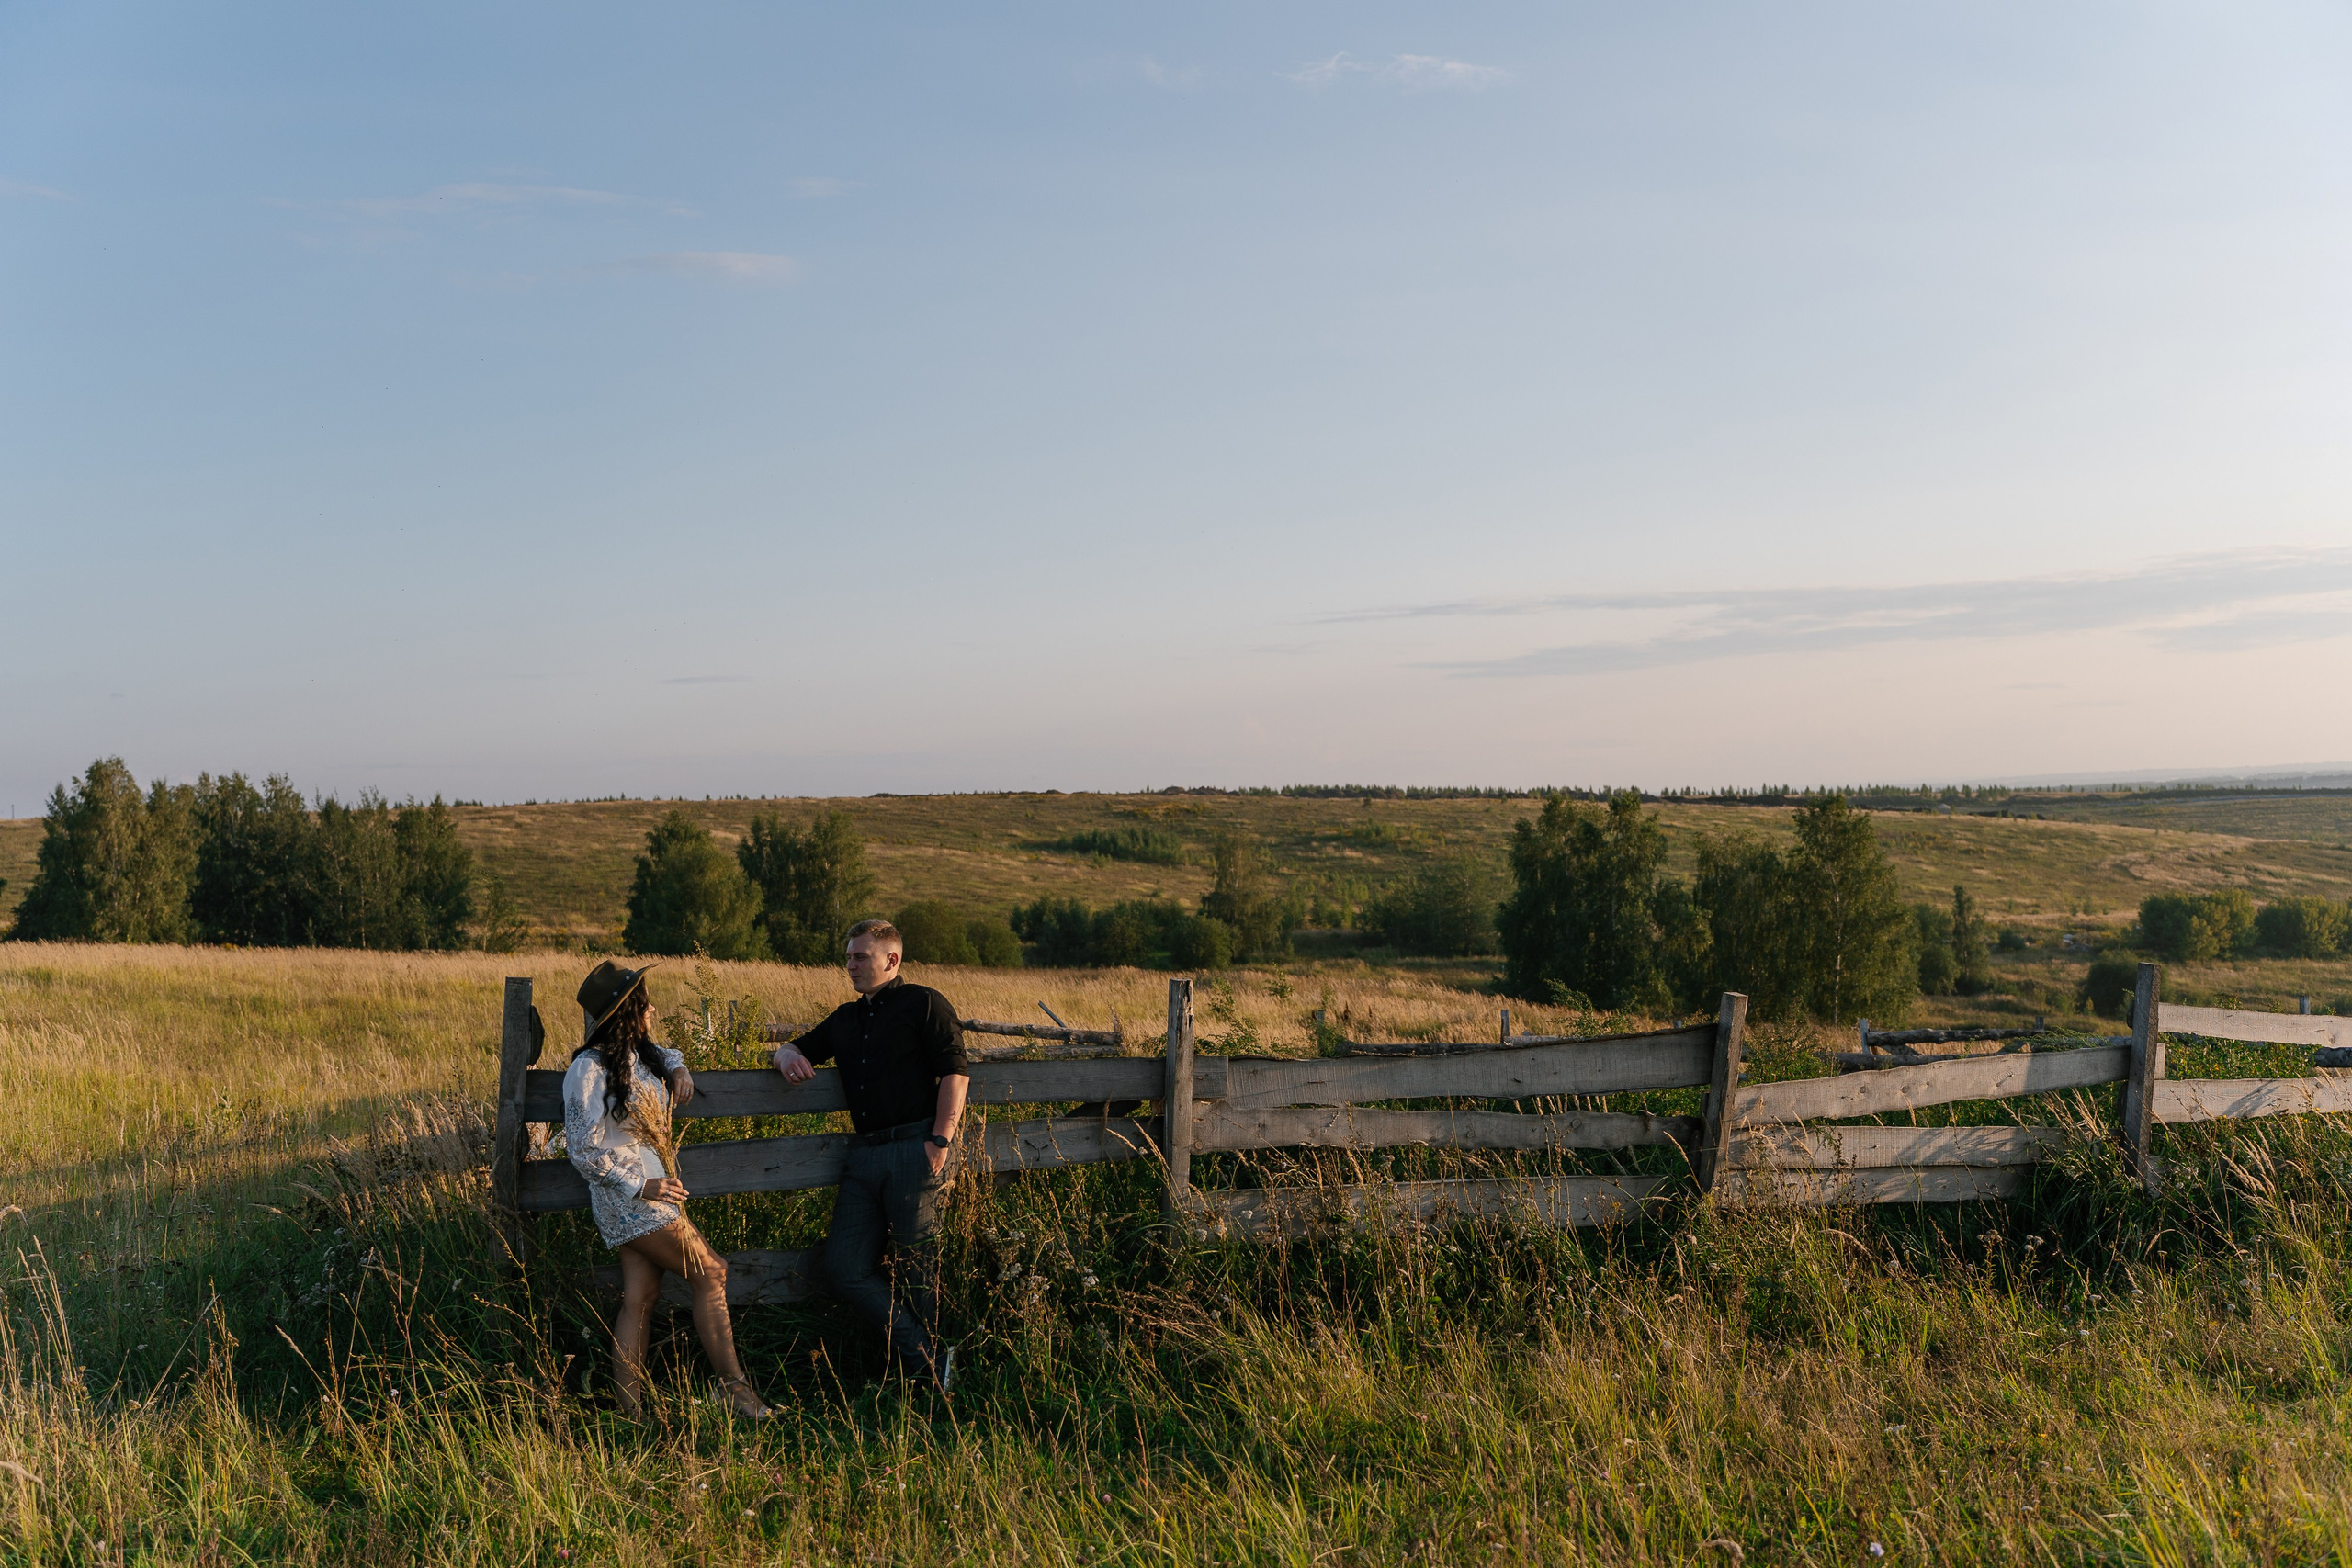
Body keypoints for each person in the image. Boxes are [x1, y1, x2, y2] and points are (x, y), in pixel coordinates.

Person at [563, 959, 771, 1420]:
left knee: (641, 1296)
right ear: (624, 1013)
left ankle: (631, 1413)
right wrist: (641, 1185)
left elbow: (669, 1053)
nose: (652, 1008)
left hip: (653, 1197)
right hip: (632, 1201)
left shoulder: (639, 1055)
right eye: (643, 1002)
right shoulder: (589, 1069)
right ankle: (735, 1391)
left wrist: (679, 1069)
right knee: (712, 1272)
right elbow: (581, 1149)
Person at [767, 919, 969, 1391]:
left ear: (891, 960)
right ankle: (929, 1357)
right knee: (843, 1266)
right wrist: (785, 1057)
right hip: (864, 1156)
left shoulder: (924, 1003)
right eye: (849, 957)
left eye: (860, 957)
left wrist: (939, 1141)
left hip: (914, 1147)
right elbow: (797, 1046)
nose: (850, 966)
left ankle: (930, 1376)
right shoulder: (845, 1018)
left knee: (916, 1264)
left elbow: (955, 1072)